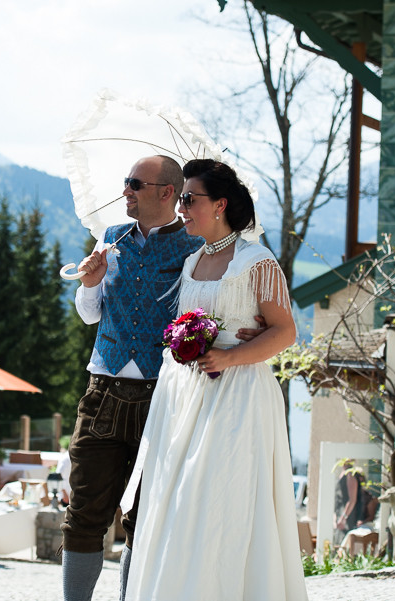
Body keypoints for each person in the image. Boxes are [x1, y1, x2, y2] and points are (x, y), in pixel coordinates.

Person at [124, 159, 308, 600]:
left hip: (237, 398)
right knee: (177, 504)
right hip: (184, 397)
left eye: (189, 199)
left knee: (219, 503)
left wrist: (232, 356)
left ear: (220, 204)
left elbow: (286, 332)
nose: (181, 207)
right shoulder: (192, 262)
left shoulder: (255, 260)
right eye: (181, 199)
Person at [61, 155, 204, 601]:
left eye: (134, 183)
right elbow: (90, 316)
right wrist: (90, 283)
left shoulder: (195, 247)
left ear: (166, 193)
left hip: (162, 395)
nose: (125, 189)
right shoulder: (109, 238)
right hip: (103, 391)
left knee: (146, 518)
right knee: (84, 512)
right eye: (126, 181)